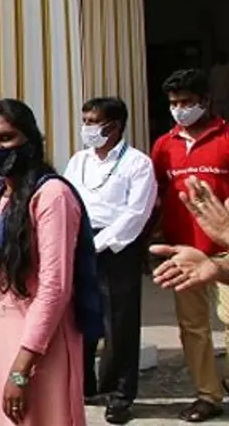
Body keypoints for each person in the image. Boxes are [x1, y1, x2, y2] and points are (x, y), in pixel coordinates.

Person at [0, 99, 98, 426]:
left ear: (30, 140)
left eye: (7, 138)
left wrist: (22, 369)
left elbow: (55, 287)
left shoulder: (51, 195)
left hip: (40, 343)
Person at [63, 97, 157, 424]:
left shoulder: (137, 163)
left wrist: (98, 244)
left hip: (117, 248)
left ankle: (120, 395)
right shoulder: (79, 161)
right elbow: (69, 198)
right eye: (85, 120)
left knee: (119, 323)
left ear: (114, 126)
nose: (87, 128)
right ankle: (86, 384)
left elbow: (136, 214)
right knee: (82, 317)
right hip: (81, 242)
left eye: (93, 122)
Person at [149, 69, 229, 422]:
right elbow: (154, 194)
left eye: (186, 102)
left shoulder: (226, 138)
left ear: (205, 101)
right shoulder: (164, 145)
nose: (179, 109)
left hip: (226, 250)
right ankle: (207, 394)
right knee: (193, 327)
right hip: (182, 251)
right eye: (174, 103)